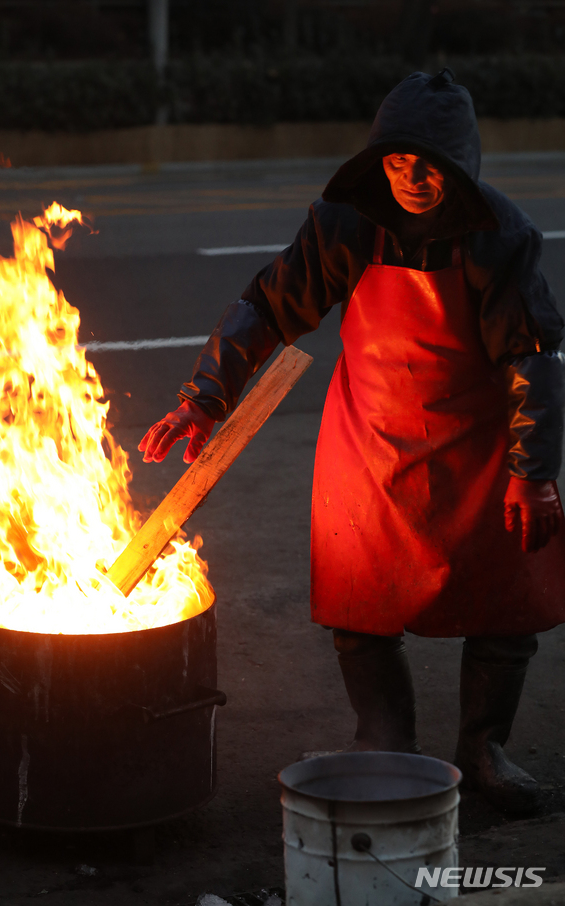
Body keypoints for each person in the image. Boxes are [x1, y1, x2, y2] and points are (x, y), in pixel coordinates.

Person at [139, 69, 565, 814]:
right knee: (358, 603)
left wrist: (533, 472)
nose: (415, 179)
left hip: (477, 446)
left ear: (462, 165)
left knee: (507, 603)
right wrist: (203, 398)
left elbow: (532, 360)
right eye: (400, 162)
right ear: (379, 161)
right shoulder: (346, 221)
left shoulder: (504, 238)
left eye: (433, 164)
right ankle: (384, 739)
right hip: (369, 438)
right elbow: (269, 306)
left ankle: (483, 750)